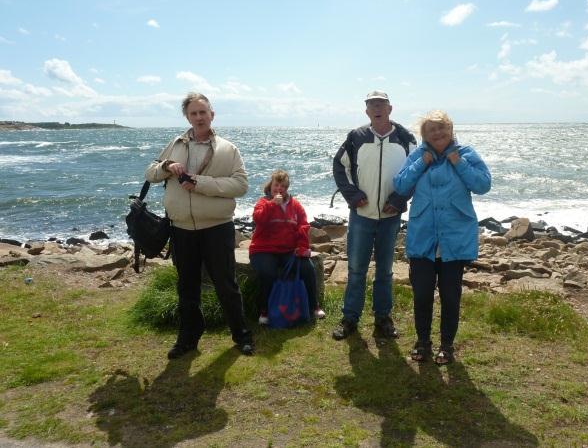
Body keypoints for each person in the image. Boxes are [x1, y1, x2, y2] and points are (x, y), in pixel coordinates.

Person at [145, 92, 254, 359]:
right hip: (181, 228)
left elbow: (241, 185)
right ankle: (188, 338)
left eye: (202, 112)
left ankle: (241, 335)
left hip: (217, 227)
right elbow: (150, 172)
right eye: (193, 113)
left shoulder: (229, 149)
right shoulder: (175, 144)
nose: (198, 117)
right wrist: (167, 166)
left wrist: (199, 184)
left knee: (226, 285)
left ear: (212, 115)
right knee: (187, 286)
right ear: (187, 117)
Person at [393, 110, 491, 365]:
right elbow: (401, 186)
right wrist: (421, 162)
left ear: (450, 130)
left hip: (454, 238)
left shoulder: (466, 154)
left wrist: (459, 162)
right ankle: (422, 342)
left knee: (450, 296)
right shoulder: (417, 156)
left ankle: (447, 346)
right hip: (423, 237)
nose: (437, 133)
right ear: (424, 135)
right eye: (431, 130)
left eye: (441, 128)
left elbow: (483, 185)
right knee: (422, 294)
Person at [331, 90, 417, 340]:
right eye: (372, 104)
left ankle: (383, 319)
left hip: (391, 217)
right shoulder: (356, 137)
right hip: (361, 214)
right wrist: (353, 195)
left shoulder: (405, 137)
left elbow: (415, 171)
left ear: (390, 108)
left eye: (381, 104)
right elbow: (340, 167)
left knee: (385, 271)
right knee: (356, 269)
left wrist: (399, 199)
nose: (377, 108)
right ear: (366, 110)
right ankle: (350, 319)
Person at [249, 170, 325, 325]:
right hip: (264, 249)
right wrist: (272, 205)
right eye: (276, 185)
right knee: (268, 272)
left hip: (288, 249)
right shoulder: (264, 202)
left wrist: (302, 246)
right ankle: (265, 310)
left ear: (286, 188)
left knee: (307, 268)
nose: (279, 189)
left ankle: (314, 306)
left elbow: (303, 226)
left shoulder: (295, 205)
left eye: (283, 186)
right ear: (271, 186)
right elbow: (258, 219)